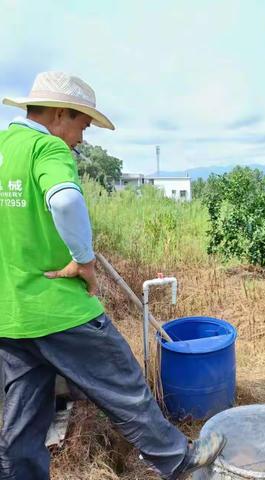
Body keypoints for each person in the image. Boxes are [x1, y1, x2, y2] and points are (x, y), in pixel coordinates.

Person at [0, 71, 225, 480]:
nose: (81, 138)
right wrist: (84, 259)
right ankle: (180, 461)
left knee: (23, 423)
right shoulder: (46, 148)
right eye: (82, 125)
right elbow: (65, 201)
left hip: (10, 314)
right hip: (58, 308)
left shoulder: (3, 146)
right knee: (124, 386)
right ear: (60, 113)